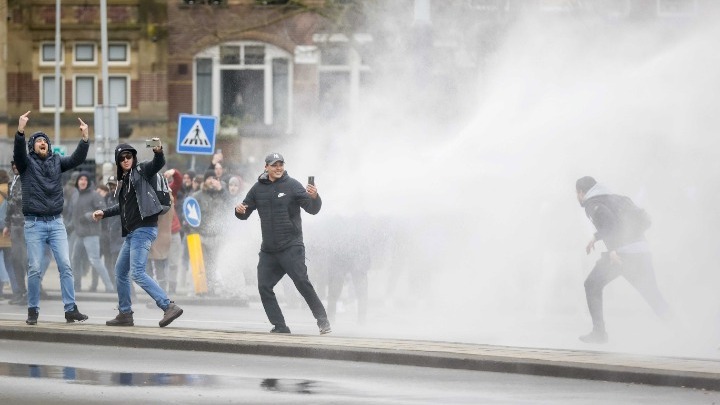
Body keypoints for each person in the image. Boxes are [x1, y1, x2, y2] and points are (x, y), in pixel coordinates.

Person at [234, 152, 330, 335]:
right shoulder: (257, 189)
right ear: (266, 167)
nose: (278, 168)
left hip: (291, 246)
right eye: (274, 165)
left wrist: (315, 197)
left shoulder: (292, 185)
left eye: (281, 164)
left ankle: (322, 321)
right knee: (264, 287)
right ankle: (280, 326)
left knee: (302, 282)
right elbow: (244, 213)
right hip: (269, 250)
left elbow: (312, 210)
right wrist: (238, 211)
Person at [93, 141, 183, 327]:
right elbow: (124, 207)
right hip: (133, 233)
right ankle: (125, 313)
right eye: (122, 158)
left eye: (129, 156)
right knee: (120, 271)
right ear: (118, 161)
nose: (126, 160)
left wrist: (158, 152)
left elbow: (156, 164)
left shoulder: (141, 171)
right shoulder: (125, 181)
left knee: (137, 272)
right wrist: (105, 213)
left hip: (144, 229)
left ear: (133, 157)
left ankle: (168, 306)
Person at [12, 111, 89, 325]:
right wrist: (20, 131)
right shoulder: (26, 164)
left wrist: (84, 138)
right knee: (35, 267)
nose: (42, 142)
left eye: (45, 140)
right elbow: (18, 153)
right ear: (32, 147)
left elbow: (77, 158)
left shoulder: (57, 162)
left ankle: (70, 309)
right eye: (38, 141)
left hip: (56, 223)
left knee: (65, 264)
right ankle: (33, 310)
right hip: (34, 224)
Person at [575, 176, 671, 344]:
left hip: (621, 255)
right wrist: (596, 237)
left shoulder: (591, 204)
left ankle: (599, 333)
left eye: (577, 193)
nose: (577, 197)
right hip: (641, 251)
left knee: (591, 285)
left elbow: (610, 224)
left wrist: (612, 249)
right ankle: (682, 333)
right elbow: (629, 222)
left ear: (581, 192)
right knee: (653, 295)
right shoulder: (616, 198)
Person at [70, 172, 114, 293]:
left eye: (85, 179)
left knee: (95, 260)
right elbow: (73, 214)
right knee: (75, 259)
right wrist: (70, 225)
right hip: (79, 233)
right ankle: (76, 286)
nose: (82, 181)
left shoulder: (95, 195)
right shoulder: (75, 195)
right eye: (80, 179)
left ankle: (109, 287)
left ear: (88, 182)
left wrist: (88, 216)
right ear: (77, 182)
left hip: (92, 233)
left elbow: (102, 211)